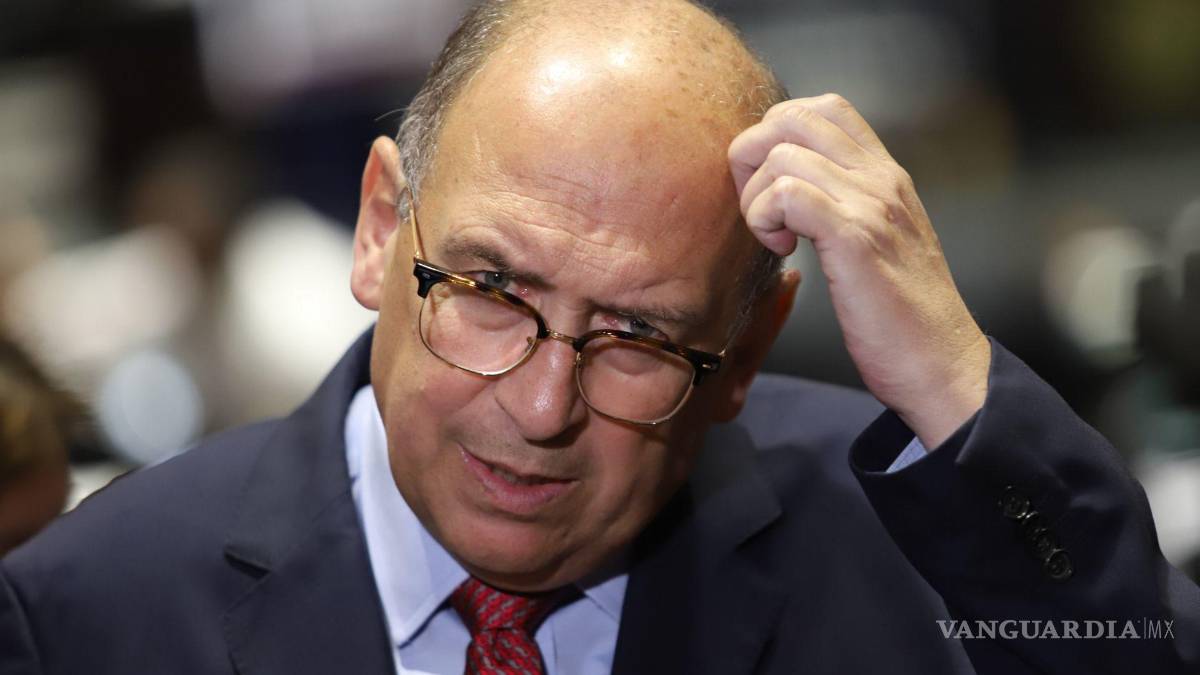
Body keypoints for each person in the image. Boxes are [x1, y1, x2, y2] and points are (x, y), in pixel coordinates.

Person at [2, 1, 1197, 673]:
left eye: (639, 337)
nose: (541, 410)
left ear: (744, 352)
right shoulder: (89, 611)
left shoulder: (918, 553)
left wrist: (958, 390)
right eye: (489, 289)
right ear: (377, 230)